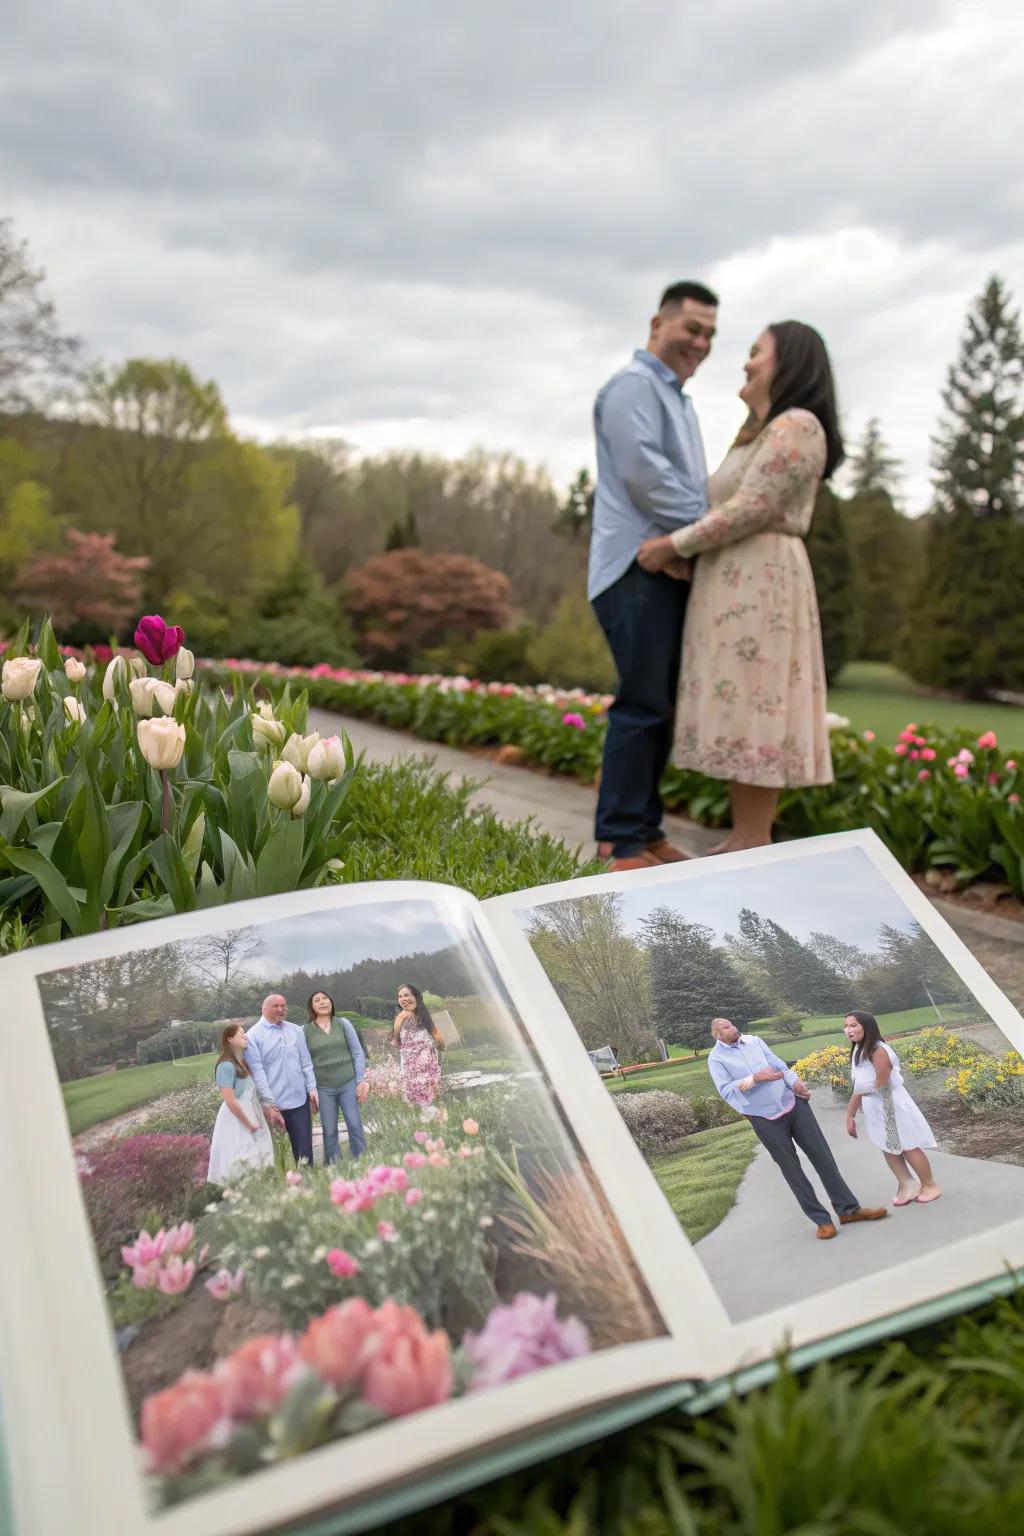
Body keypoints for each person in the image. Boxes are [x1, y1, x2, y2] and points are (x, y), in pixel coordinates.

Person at [638, 320, 843, 853]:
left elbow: (751, 508)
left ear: (789, 363)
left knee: (760, 698)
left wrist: (673, 546)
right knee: (745, 702)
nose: (746, 362)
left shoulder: (798, 424)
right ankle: (745, 837)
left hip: (763, 583)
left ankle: (752, 839)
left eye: (756, 353)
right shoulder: (759, 431)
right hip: (733, 583)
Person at [589, 280, 719, 871]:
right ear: (656, 324)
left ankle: (646, 828)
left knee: (661, 704)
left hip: (667, 567)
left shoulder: (680, 401)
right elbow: (646, 477)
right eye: (692, 328)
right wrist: (714, 526)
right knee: (642, 701)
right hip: (632, 567)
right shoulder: (633, 387)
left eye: (711, 334)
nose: (702, 341)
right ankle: (619, 838)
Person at [707, 1017, 887, 1240]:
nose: (732, 1028)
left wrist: (795, 1083)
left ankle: (849, 1210)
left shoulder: (754, 1041)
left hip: (793, 1103)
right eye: (725, 1028)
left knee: (823, 1157)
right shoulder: (716, 1059)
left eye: (731, 1024)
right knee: (791, 1169)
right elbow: (726, 1091)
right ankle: (821, 1221)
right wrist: (754, 1078)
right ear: (717, 1035)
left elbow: (780, 1067)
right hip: (763, 1117)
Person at [844, 1010, 941, 1207]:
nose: (848, 1030)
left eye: (853, 1025)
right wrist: (850, 1114)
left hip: (889, 1102)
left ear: (867, 1027)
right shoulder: (858, 1051)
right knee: (887, 1147)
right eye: (846, 1026)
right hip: (874, 1105)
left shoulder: (878, 1050)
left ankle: (930, 1185)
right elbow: (860, 1086)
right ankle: (907, 1184)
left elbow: (879, 1084)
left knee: (908, 1145)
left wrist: (859, 1106)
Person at [244, 993, 319, 1166]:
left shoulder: (296, 1030)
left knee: (304, 1152)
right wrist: (268, 1104)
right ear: (264, 1009)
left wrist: (312, 1089)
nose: (281, 1009)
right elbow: (258, 1072)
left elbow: (306, 1062)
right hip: (274, 1106)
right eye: (275, 1006)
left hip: (299, 1100)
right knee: (276, 1154)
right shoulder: (253, 1036)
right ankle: (283, 1187)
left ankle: (308, 1186)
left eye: (283, 1006)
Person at [304, 990, 369, 1164]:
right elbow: (305, 1062)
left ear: (331, 1002)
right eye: (316, 1000)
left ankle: (362, 1162)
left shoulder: (343, 1023)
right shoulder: (305, 1031)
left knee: (354, 1124)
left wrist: (361, 1080)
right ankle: (334, 1166)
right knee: (329, 1129)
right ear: (311, 1007)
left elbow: (357, 1052)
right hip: (323, 1087)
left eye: (325, 998)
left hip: (348, 1082)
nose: (322, 1002)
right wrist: (309, 1089)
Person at [207, 1024, 275, 1185]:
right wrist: (249, 1125)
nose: (246, 1036)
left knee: (259, 1159)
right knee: (242, 1159)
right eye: (241, 1034)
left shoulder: (244, 1063)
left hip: (252, 1113)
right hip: (236, 1119)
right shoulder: (226, 1066)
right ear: (230, 1039)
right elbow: (230, 1100)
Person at [393, 983, 442, 1107]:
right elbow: (398, 1042)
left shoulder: (425, 1016)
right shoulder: (400, 1018)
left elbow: (440, 1040)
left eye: (407, 995)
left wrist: (435, 1053)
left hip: (429, 1067)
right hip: (410, 1068)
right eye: (400, 997)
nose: (403, 999)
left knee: (433, 1103)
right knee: (415, 1104)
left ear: (416, 997)